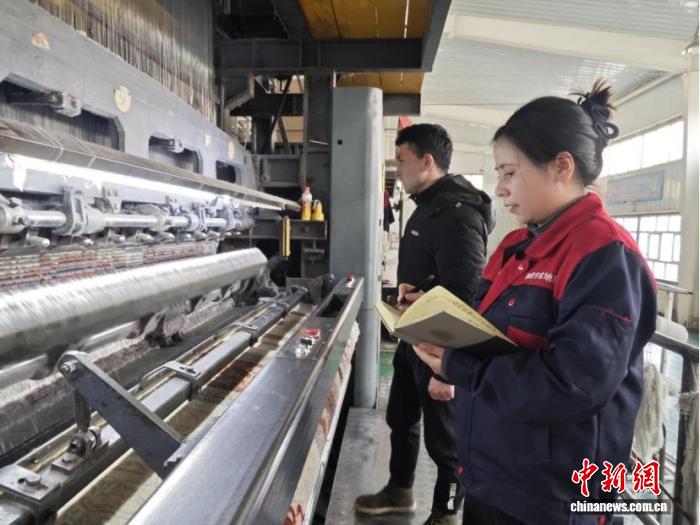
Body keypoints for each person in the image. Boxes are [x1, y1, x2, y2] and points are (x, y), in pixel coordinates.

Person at [412, 81, 658, 524]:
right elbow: (484, 331)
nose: (500, 189)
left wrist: (459, 367)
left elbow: (573, 384)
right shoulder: (514, 248)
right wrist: (437, 325)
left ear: (561, 166)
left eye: (509, 172)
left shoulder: (605, 257)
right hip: (492, 478)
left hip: (555, 500)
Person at [355, 123, 494, 525]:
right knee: (400, 418)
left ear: (427, 161)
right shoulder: (429, 206)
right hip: (415, 338)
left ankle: (446, 514)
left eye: (402, 160)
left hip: (441, 347)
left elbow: (465, 293)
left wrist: (447, 369)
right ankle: (399, 493)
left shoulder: (457, 214)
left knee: (445, 444)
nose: (397, 169)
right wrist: (413, 290)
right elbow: (439, 277)